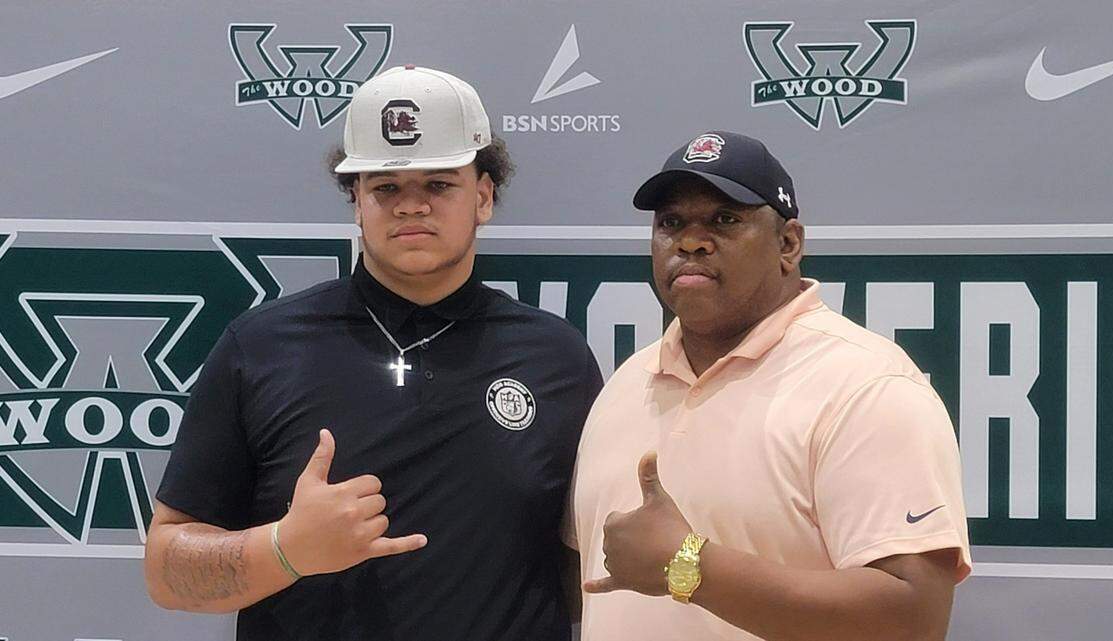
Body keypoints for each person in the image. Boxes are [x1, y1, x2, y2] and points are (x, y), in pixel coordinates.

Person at [144, 65, 603, 641]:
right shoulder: (262, 346)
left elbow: (588, 560)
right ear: (356, 201)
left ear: (483, 196)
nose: (412, 206)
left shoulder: (556, 356)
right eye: (386, 188)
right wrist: (284, 549)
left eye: (439, 184)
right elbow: (165, 571)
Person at [566, 131, 971, 641]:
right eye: (671, 223)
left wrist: (685, 564)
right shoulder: (626, 384)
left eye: (725, 220)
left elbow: (914, 617)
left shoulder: (866, 386)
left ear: (788, 243)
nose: (690, 241)